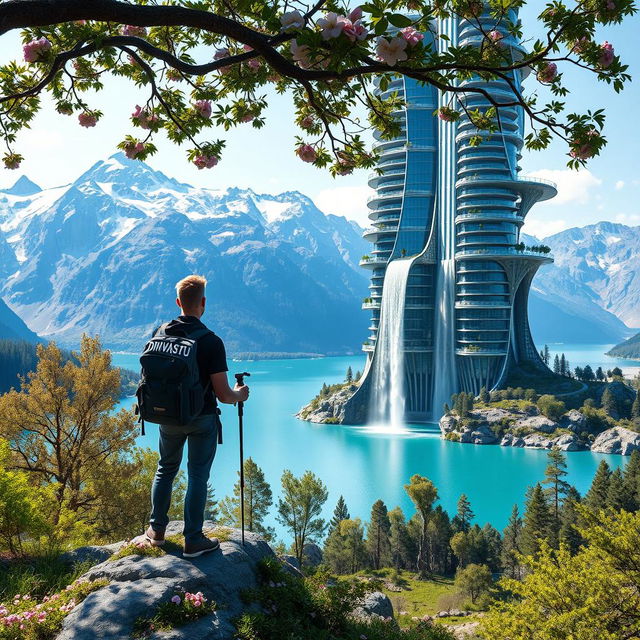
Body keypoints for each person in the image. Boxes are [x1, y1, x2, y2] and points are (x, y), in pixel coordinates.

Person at [134, 274, 249, 558]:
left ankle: (156, 532)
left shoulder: (160, 332)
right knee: (197, 474)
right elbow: (223, 394)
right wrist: (240, 395)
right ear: (204, 303)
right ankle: (193, 540)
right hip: (201, 419)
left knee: (165, 469)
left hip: (166, 418)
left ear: (178, 302)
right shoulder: (210, 341)